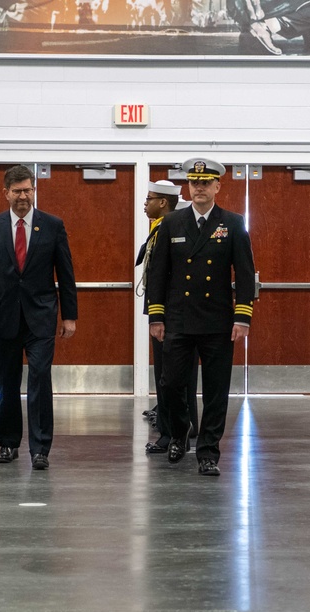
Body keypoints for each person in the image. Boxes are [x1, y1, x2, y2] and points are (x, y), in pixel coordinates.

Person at [146, 157, 256, 477]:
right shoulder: (171, 223)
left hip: (217, 321)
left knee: (215, 390)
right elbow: (158, 275)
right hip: (179, 318)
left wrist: (242, 316)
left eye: (206, 183)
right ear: (188, 187)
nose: (199, 188)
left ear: (217, 186)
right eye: (194, 183)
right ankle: (179, 433)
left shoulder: (232, 223)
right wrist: (157, 315)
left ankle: (208, 451)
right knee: (170, 385)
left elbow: (245, 274)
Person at [0, 165, 78, 470]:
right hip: (4, 317)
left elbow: (66, 274)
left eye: (28, 190)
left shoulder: (53, 226)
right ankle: (7, 442)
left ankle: (41, 448)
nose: (23, 196)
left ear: (34, 191)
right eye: (17, 191)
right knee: (6, 381)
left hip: (41, 317)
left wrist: (70, 316)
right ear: (6, 193)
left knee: (40, 378)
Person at [136, 180, 200, 455]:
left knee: (172, 375)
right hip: (161, 309)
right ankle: (175, 428)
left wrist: (159, 311)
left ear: (163, 202)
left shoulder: (171, 228)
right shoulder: (159, 227)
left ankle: (174, 432)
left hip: (173, 313)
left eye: (149, 198)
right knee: (168, 375)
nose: (145, 203)